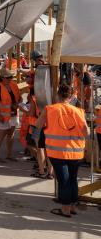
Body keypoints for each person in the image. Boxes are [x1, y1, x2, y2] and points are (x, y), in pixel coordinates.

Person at [34, 84, 88, 218]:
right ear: (71, 97)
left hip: (57, 152)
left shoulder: (50, 109)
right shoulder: (79, 111)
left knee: (63, 180)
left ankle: (65, 209)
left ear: (58, 95)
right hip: (76, 152)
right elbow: (86, 131)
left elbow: (38, 125)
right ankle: (73, 206)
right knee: (73, 179)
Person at [0, 68, 20, 162]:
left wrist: (18, 103)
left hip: (13, 114)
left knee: (11, 135)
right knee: (1, 135)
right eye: (8, 77)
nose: (10, 79)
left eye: (11, 77)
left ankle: (9, 155)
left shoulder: (13, 85)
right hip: (3, 115)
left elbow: (19, 98)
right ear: (2, 78)